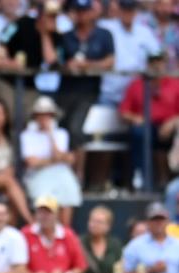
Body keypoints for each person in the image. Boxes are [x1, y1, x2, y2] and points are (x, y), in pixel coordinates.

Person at [58, 0, 114, 179]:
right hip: (66, 90)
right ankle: (63, 173)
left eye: (84, 11)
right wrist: (69, 65)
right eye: (78, 11)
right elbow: (56, 61)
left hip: (89, 91)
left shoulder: (103, 35)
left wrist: (87, 65)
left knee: (75, 129)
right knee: (60, 126)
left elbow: (110, 62)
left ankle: (78, 175)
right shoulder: (66, 36)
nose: (81, 15)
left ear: (91, 12)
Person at [119, 52, 179, 190]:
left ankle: (172, 180)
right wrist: (135, 118)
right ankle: (142, 178)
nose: (157, 65)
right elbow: (123, 112)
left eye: (160, 61)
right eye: (153, 62)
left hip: (170, 129)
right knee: (139, 133)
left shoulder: (175, 84)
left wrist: (173, 122)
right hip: (147, 127)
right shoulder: (136, 85)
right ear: (147, 64)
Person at [20, 96, 82, 226]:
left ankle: (63, 238)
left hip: (61, 174)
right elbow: (32, 162)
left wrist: (50, 135)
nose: (44, 119)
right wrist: (56, 160)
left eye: (47, 115)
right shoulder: (26, 135)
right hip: (38, 176)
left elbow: (62, 156)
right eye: (41, 115)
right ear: (35, 116)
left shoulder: (61, 133)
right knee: (47, 207)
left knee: (66, 201)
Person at [0, 0, 63, 119]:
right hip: (8, 80)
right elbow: (3, 40)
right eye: (49, 16)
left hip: (30, 83)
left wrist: (44, 34)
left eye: (54, 16)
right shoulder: (22, 23)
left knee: (31, 116)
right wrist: (7, 62)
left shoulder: (55, 35)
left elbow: (51, 60)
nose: (52, 19)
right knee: (10, 114)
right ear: (40, 15)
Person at [98, 0, 159, 107]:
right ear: (119, 10)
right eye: (125, 10)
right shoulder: (105, 27)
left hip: (136, 94)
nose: (128, 13)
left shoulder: (145, 32)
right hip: (108, 92)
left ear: (136, 12)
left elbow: (157, 56)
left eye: (131, 10)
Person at [22, 195, 87, 273]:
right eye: (40, 212)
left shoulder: (68, 235)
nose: (44, 216)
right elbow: (18, 267)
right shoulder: (26, 234)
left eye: (48, 212)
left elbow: (80, 266)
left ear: (57, 214)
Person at [122, 202, 179, 273]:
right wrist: (150, 271)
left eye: (161, 219)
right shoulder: (135, 245)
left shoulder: (177, 244)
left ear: (167, 221)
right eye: (154, 219)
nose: (158, 222)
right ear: (147, 222)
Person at [81, 205, 123, 273]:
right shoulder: (79, 242)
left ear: (108, 226)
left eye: (99, 222)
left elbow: (121, 268)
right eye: (92, 221)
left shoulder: (115, 244)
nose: (94, 225)